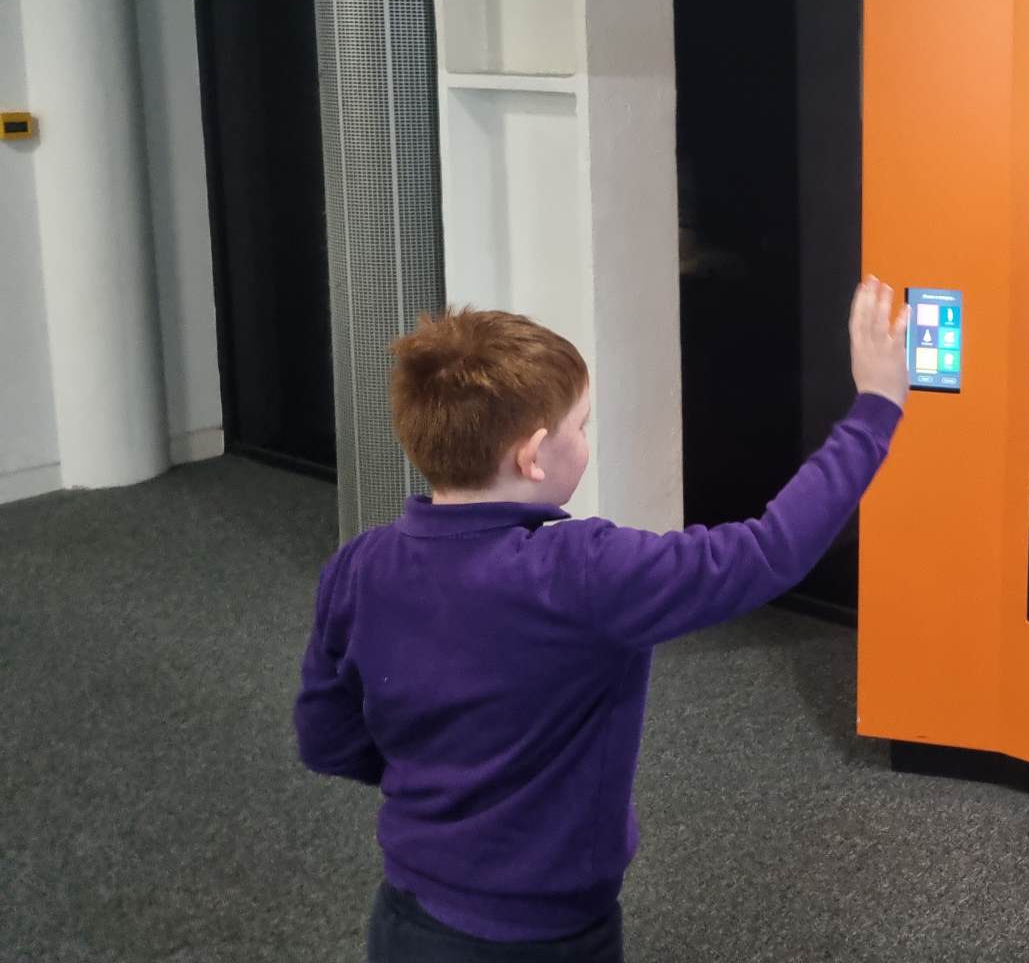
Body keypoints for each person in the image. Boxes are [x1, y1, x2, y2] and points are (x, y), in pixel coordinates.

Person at [295, 279, 909, 962]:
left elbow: (326, 741)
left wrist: (443, 779)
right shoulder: (583, 574)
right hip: (547, 937)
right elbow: (769, 551)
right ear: (532, 456)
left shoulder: (356, 567)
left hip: (406, 919)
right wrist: (875, 408)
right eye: (580, 427)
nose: (586, 441)